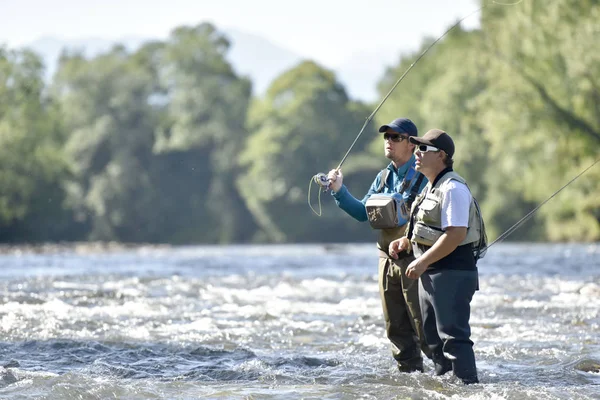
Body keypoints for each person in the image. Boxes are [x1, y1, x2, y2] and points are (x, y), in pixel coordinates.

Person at [327, 118, 430, 373]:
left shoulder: (425, 176)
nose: (389, 142)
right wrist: (339, 190)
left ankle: (449, 380)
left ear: (412, 144)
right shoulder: (383, 177)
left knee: (424, 326)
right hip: (386, 260)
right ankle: (411, 381)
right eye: (387, 137)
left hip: (415, 258)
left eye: (396, 137)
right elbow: (364, 212)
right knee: (395, 329)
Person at [388, 128, 482, 384]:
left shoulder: (453, 188)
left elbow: (454, 235)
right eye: (416, 148)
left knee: (453, 338)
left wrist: (421, 261)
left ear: (441, 155)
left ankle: (467, 389)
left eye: (422, 149)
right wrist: (406, 242)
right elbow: (430, 229)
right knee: (433, 340)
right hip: (431, 273)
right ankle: (445, 387)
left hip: (451, 273)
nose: (416, 153)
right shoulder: (431, 187)